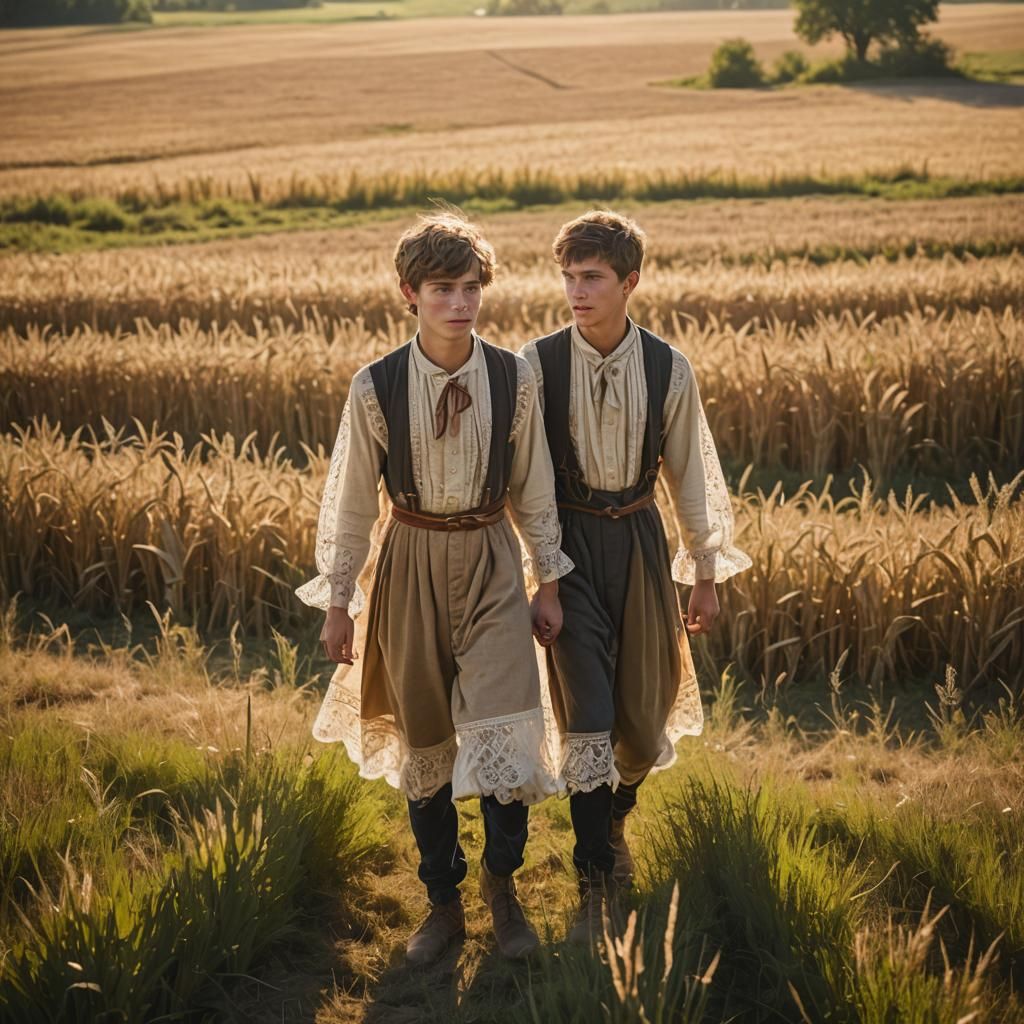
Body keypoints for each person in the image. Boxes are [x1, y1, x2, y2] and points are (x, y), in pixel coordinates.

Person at [296, 212, 573, 965]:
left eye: (471, 287)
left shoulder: (514, 376)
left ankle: (502, 888)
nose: (460, 302)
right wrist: (339, 603)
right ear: (409, 293)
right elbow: (352, 501)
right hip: (408, 563)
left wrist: (547, 583)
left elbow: (534, 488)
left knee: (508, 738)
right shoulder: (376, 385)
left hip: (490, 560)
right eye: (443, 288)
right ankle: (442, 904)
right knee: (426, 745)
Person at [521, 210, 751, 944]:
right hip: (568, 550)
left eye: (591, 277)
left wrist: (705, 574)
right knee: (587, 716)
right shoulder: (536, 364)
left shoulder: (666, 366)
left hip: (643, 543)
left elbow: (691, 476)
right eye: (568, 276)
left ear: (631, 282)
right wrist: (542, 573)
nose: (576, 291)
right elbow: (523, 478)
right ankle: (593, 880)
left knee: (645, 725)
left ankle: (615, 819)